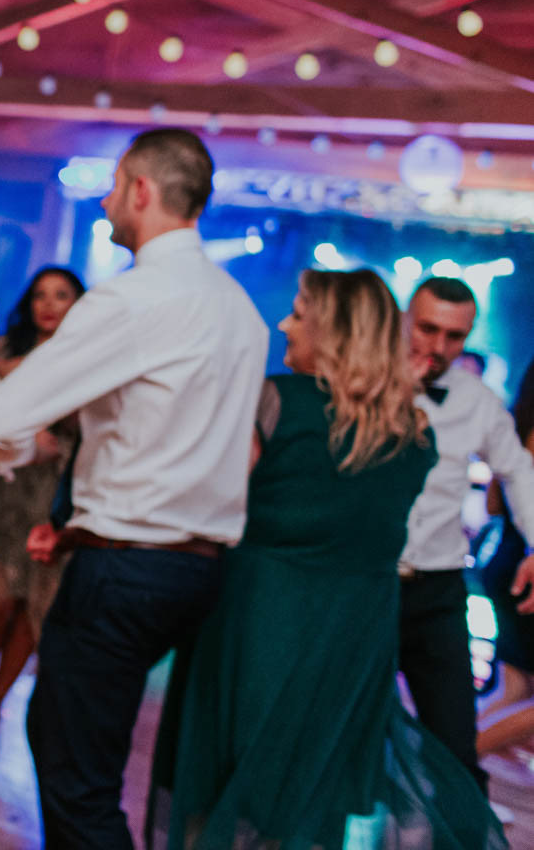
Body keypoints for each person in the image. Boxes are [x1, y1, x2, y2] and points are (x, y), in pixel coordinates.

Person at [0, 128, 268, 848]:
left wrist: (13, 453)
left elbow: (8, 415)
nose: (106, 201)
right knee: (79, 748)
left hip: (124, 571)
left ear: (142, 190)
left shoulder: (132, 299)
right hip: (199, 571)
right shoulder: (241, 309)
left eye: (113, 185)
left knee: (77, 774)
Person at [148, 268, 504, 848]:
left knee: (225, 778)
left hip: (261, 621)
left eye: (298, 314)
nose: (285, 325)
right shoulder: (413, 429)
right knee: (307, 789)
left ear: (333, 330)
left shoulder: (278, 401)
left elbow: (207, 505)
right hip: (353, 637)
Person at [397, 276, 534, 790]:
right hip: (366, 583)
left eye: (454, 336)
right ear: (405, 319)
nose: (438, 346)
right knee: (339, 727)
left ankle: (460, 827)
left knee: (454, 744)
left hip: (437, 588)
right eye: (427, 329)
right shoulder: (366, 382)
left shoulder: (475, 398)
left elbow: (517, 471)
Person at [0, 265, 84, 753]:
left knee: (33, 607)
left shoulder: (90, 356)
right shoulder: (9, 349)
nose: (49, 304)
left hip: (57, 493)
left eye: (61, 295)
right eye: (40, 295)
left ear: (79, 304)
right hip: (7, 492)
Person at [478, 356, 534, 758]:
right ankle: (458, 759)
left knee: (513, 689)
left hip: (506, 559)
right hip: (526, 570)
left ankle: (450, 763)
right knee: (519, 694)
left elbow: (493, 505)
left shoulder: (515, 429)